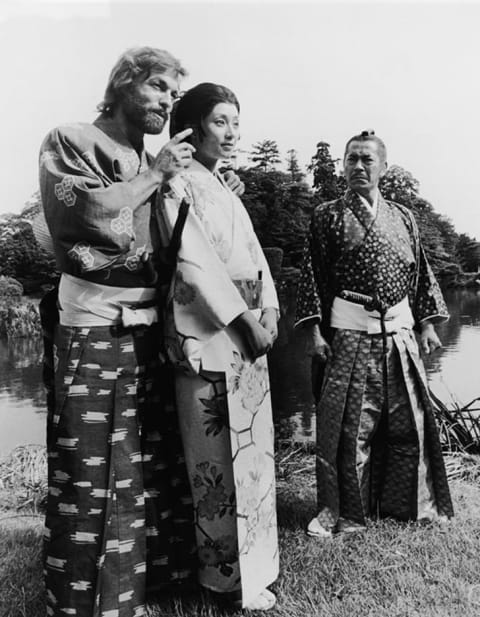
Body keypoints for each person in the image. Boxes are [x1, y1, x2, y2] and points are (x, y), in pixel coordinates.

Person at [38, 47, 244, 617]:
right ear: (124, 82)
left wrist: (208, 196)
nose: (166, 103)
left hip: (154, 330)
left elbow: (178, 249)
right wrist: (155, 177)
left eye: (174, 96)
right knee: (93, 466)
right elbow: (79, 219)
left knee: (150, 463)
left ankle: (150, 583)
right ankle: (86, 598)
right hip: (96, 326)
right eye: (157, 88)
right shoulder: (71, 139)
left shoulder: (152, 158)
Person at [156, 83, 279, 611]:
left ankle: (260, 565)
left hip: (248, 325)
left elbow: (253, 253)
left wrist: (270, 309)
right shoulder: (174, 185)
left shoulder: (225, 188)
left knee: (252, 455)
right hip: (210, 330)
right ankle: (223, 579)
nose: (231, 134)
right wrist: (243, 320)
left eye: (236, 123)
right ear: (191, 125)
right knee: (212, 460)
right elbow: (192, 263)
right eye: (220, 122)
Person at [295, 129, 454, 539]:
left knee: (408, 425)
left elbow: (419, 273)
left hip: (399, 333)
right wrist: (314, 332)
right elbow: (311, 274)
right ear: (343, 166)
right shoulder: (326, 215)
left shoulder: (403, 216)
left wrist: (428, 324)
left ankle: (409, 506)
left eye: (368, 159)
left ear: (383, 167)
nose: (359, 166)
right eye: (352, 159)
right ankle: (345, 512)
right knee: (349, 430)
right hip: (349, 331)